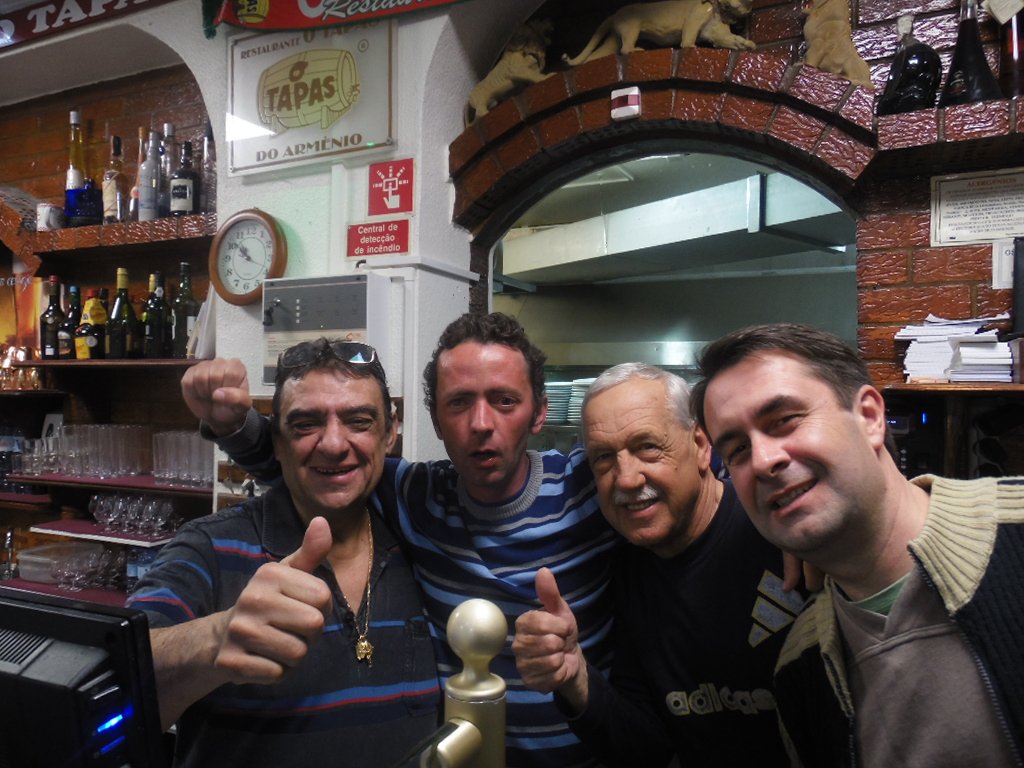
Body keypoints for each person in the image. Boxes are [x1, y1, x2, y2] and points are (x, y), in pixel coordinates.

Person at [179, 313, 619, 768]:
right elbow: (318, 467)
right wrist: (234, 422)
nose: (481, 423)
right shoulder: (418, 496)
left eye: (505, 401)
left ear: (540, 411)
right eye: (459, 403)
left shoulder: (591, 488)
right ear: (435, 421)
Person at [690, 322, 1024, 767]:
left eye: (784, 421)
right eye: (737, 451)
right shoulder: (801, 668)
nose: (765, 460)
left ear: (868, 417)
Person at [127, 339, 441, 768]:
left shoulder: (420, 542)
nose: (334, 444)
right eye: (306, 424)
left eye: (359, 421)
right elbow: (113, 676)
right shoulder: (210, 547)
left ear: (389, 435)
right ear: (276, 441)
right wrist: (214, 639)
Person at [512, 362, 803, 766]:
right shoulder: (628, 572)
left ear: (700, 445)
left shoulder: (781, 529)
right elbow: (647, 749)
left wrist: (816, 537)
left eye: (647, 446)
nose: (626, 478)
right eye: (604, 458)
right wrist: (577, 679)